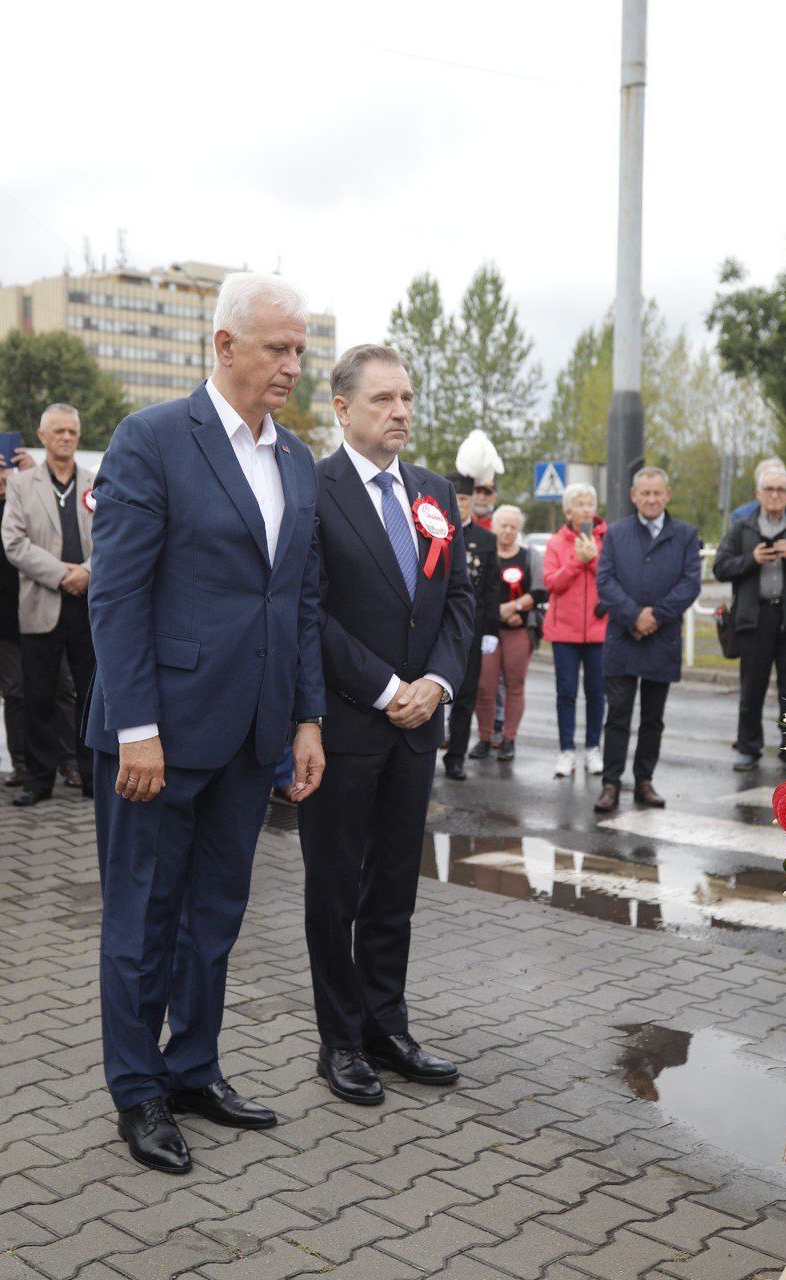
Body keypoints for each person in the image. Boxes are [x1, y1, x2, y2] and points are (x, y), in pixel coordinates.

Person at [87, 272, 326, 1174]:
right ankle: (137, 1091)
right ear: (225, 346)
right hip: (158, 734)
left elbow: (298, 598)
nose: (293, 366)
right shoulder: (152, 440)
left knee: (215, 916)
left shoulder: (294, 460)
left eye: (301, 350)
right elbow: (116, 596)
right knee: (142, 919)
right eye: (278, 348)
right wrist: (137, 725)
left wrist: (305, 716)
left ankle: (193, 1067)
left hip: (251, 731)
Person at [301, 343, 473, 1104]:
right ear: (342, 409)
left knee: (396, 886)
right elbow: (310, 611)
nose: (401, 411)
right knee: (335, 889)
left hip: (416, 727)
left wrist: (434, 682)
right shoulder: (313, 489)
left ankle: (386, 1025)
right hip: (345, 726)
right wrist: (384, 687)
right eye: (383, 400)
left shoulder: (434, 491)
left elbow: (459, 603)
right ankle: (338, 1042)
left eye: (406, 397)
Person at [2, 404, 97, 806]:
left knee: (91, 696)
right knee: (38, 695)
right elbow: (14, 543)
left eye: (72, 431)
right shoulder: (23, 485)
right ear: (41, 436)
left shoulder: (98, 482)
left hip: (88, 605)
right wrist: (63, 574)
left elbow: (115, 538)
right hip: (43, 601)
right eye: (57, 431)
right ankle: (39, 780)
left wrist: (89, 572)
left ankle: (93, 775)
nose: (65, 438)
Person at [593, 468, 704, 812]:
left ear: (667, 494)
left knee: (653, 718)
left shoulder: (685, 535)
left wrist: (655, 615)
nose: (652, 499)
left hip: (662, 638)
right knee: (618, 716)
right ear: (633, 496)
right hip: (623, 638)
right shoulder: (616, 533)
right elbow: (605, 580)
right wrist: (633, 616)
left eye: (657, 493)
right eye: (645, 493)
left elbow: (690, 584)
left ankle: (644, 781)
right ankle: (611, 783)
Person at [0, 443, 72, 787]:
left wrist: (31, 476)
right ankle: (23, 763)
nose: (1, 475)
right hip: (3, 613)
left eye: (5, 467)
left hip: (45, 605)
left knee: (61, 687)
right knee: (16, 691)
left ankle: (68, 760)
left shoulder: (31, 496)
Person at [713, 464, 786, 772]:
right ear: (758, 494)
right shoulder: (743, 528)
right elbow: (720, 567)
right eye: (769, 489)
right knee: (751, 688)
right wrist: (751, 560)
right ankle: (748, 748)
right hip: (755, 617)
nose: (775, 495)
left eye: (781, 490)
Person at [439, 469, 500, 781]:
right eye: (457, 498)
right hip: (435, 626)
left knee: (465, 695)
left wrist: (490, 630)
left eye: (465, 498)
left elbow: (491, 588)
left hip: (470, 629)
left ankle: (456, 757)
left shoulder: (487, 539)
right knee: (433, 692)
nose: (460, 504)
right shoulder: (432, 529)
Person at [544, 482, 608, 778]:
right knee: (566, 693)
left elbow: (610, 577)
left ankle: (593, 748)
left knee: (596, 693)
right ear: (568, 511)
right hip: (564, 633)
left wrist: (592, 558)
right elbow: (552, 583)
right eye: (579, 504)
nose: (586, 509)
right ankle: (566, 750)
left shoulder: (607, 538)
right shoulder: (557, 543)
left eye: (589, 503)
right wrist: (576, 561)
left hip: (599, 630)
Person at [472, 504, 544, 761]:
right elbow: (476, 591)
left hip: (519, 630)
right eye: (504, 525)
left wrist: (514, 607)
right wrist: (498, 612)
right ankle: (485, 737)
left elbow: (539, 592)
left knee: (515, 685)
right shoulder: (486, 554)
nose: (508, 531)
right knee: (485, 686)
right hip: (488, 631)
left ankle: (509, 738)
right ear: (494, 526)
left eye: (514, 527)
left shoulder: (530, 556)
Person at [729, 458, 786, 526]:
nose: (774, 495)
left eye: (780, 488)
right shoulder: (742, 516)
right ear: (759, 489)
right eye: (769, 488)